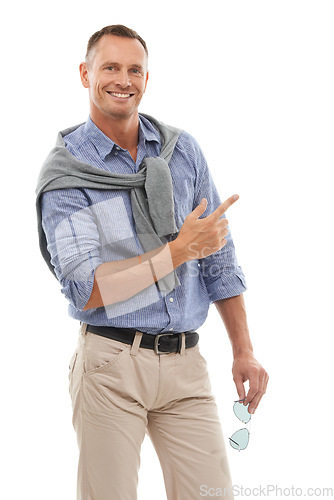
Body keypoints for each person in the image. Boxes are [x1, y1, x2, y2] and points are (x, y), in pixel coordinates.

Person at [36, 24, 268, 500]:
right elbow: (88, 288)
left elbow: (219, 256)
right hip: (111, 365)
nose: (123, 80)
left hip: (185, 364)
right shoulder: (65, 174)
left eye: (134, 69)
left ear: (146, 78)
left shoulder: (182, 152)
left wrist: (243, 350)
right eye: (110, 68)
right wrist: (177, 251)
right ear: (85, 74)